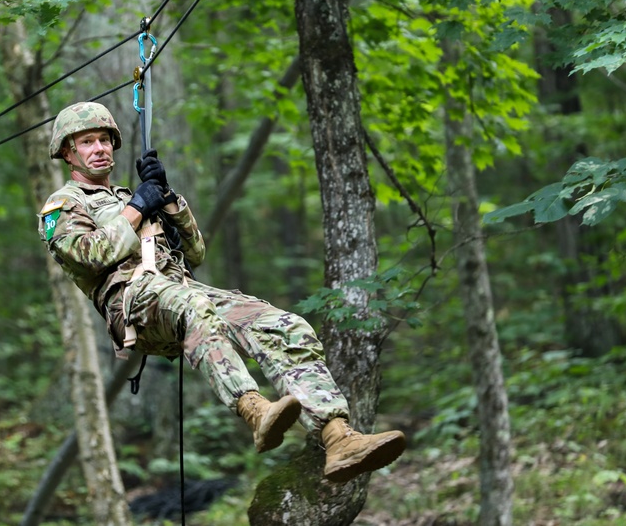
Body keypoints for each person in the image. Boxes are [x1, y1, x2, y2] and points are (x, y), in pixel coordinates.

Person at [39, 101, 406, 483]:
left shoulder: (132, 194)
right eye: (86, 142)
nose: (98, 148)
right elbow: (90, 255)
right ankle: (254, 409)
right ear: (69, 152)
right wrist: (137, 207)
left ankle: (338, 438)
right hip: (134, 306)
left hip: (180, 291)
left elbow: (195, 251)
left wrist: (167, 199)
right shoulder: (63, 206)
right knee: (194, 304)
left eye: (103, 140)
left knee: (282, 324)